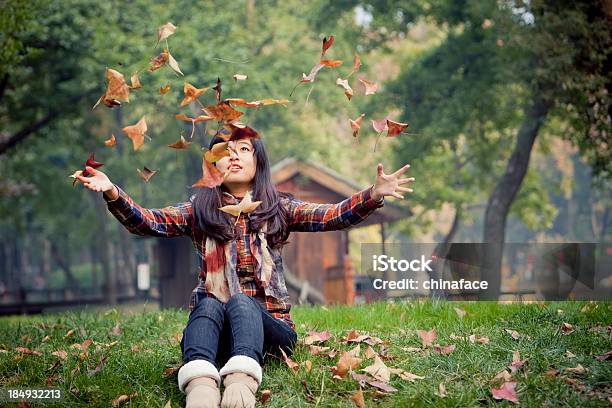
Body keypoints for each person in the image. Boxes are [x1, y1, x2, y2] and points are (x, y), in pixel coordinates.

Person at [77, 135, 414, 408]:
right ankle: (201, 384)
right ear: (213, 165)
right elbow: (149, 222)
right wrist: (112, 191)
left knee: (241, 302)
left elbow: (331, 215)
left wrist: (373, 195)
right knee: (209, 303)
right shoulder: (199, 210)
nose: (234, 156)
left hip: (271, 333)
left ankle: (241, 380)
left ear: (258, 162)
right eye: (225, 151)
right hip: (217, 330)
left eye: (244, 149)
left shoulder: (278, 206)